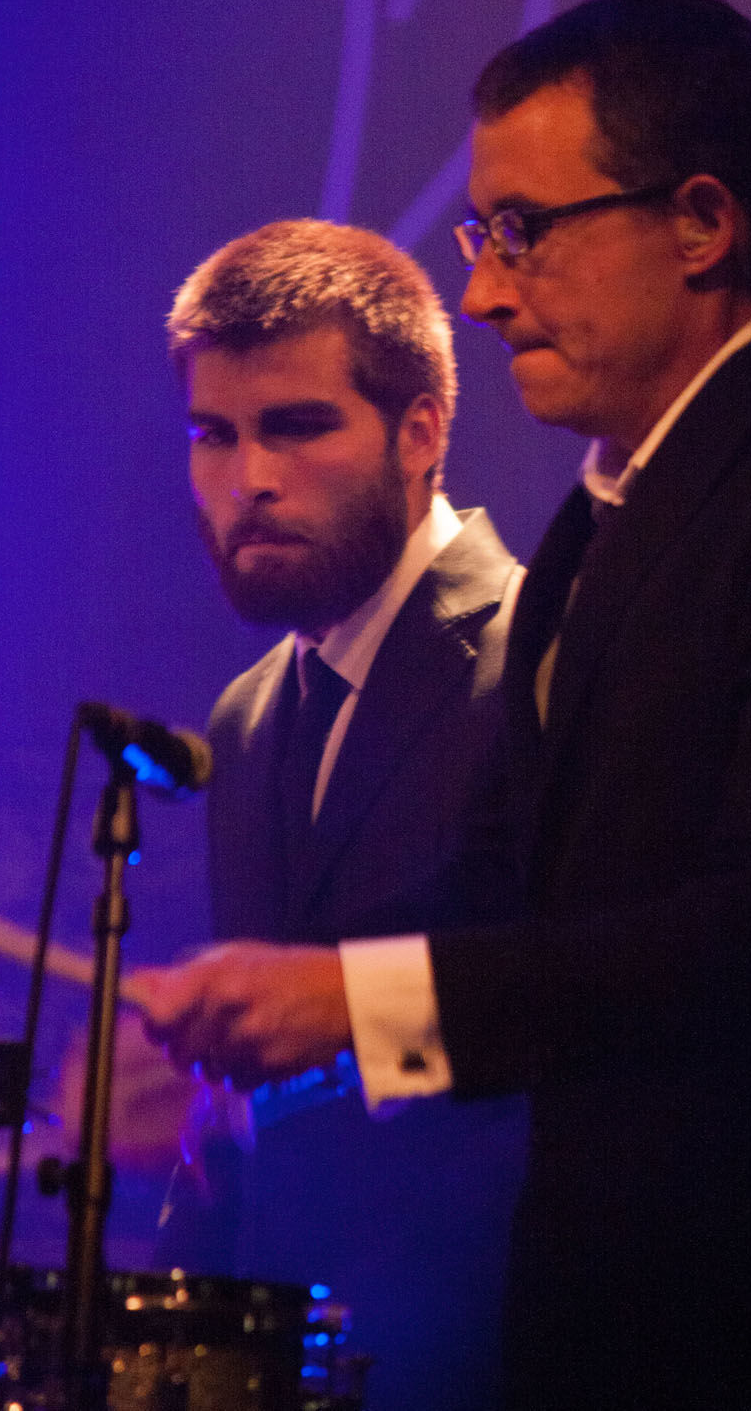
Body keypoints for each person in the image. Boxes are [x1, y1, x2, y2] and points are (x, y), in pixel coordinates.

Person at [131, 0, 751, 1409]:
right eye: (480, 239)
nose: (484, 294)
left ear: (700, 223)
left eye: (524, 230)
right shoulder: (607, 524)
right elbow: (544, 918)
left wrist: (354, 1001)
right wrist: (257, 1044)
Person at [144, 218, 526, 1411]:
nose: (247, 479)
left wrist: (336, 1033)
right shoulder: (249, 714)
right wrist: (213, 1120)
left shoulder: (543, 650)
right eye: (214, 433)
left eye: (298, 425)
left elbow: (593, 1011)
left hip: (506, 1348)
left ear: (421, 432)